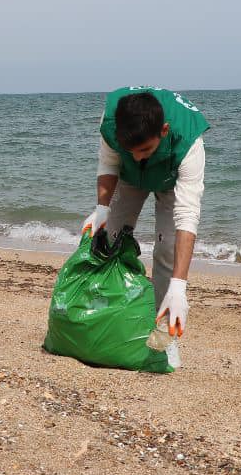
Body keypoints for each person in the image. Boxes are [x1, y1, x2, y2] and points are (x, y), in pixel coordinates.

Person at [84, 87, 209, 344]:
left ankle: (164, 336)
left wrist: (179, 286)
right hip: (129, 177)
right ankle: (107, 318)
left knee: (167, 250)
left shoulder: (189, 141)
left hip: (171, 178)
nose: (137, 156)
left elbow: (187, 215)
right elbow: (109, 163)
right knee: (109, 240)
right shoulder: (112, 122)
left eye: (144, 149)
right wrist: (102, 209)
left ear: (164, 130)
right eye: (130, 149)